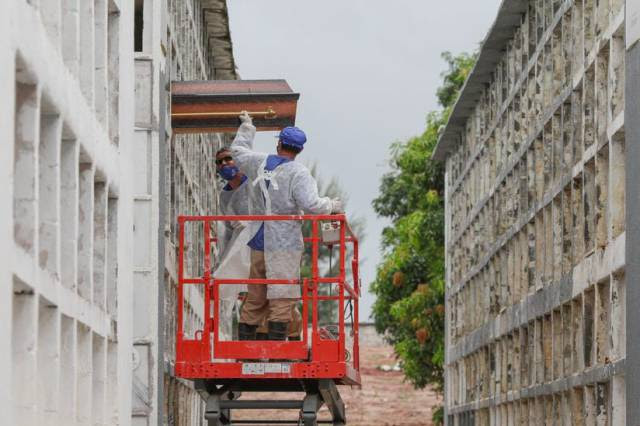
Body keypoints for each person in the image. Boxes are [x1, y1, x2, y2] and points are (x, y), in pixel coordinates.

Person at [230, 111, 343, 341]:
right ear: (299, 150)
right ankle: (276, 352)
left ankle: (247, 351)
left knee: (256, 292)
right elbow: (311, 204)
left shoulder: (258, 162)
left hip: (258, 239)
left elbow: (237, 153)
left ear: (280, 143)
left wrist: (247, 126)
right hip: (284, 244)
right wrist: (332, 204)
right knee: (282, 294)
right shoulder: (298, 173)